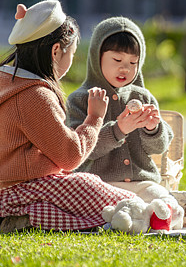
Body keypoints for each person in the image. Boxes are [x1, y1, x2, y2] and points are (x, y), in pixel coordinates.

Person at [0, 0, 135, 233]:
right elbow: (70, 156)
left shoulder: (2, 83)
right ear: (56, 50)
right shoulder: (34, 95)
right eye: (73, 53)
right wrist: (94, 118)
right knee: (105, 192)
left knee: (91, 187)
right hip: (30, 188)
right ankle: (30, 215)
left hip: (6, 192)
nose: (71, 61)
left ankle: (26, 216)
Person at [66, 16, 174, 202]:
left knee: (165, 203)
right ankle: (137, 217)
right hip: (98, 186)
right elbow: (80, 151)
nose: (125, 68)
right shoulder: (81, 99)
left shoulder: (143, 97)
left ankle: (148, 216)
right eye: (117, 59)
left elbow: (159, 148)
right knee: (120, 210)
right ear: (96, 56)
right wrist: (118, 130)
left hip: (142, 183)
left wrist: (153, 129)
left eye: (133, 63)